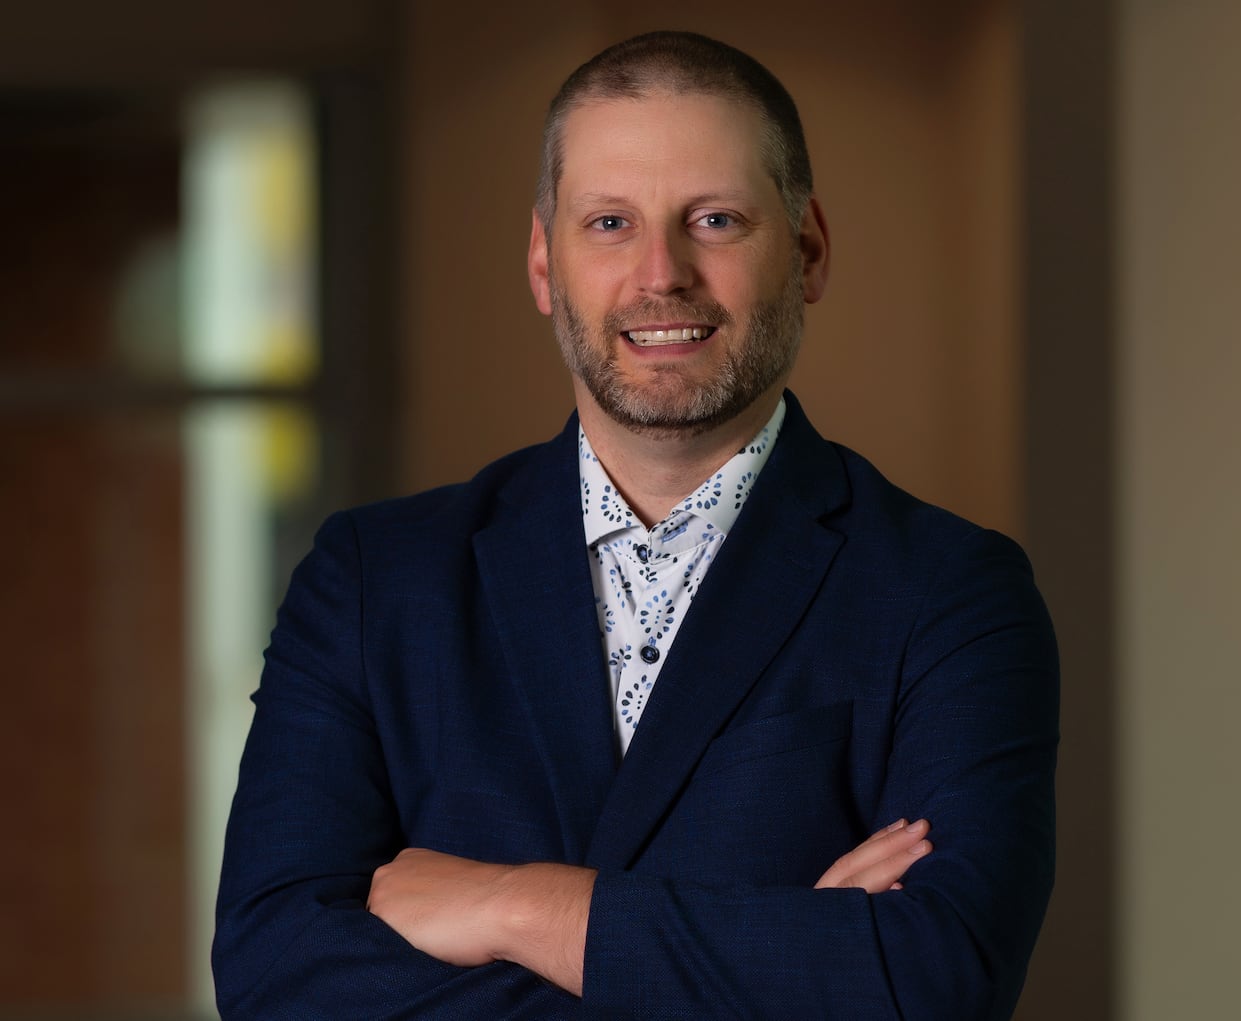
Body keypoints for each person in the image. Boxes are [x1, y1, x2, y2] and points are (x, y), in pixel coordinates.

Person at [213, 30, 1058, 1020]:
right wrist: (784, 954)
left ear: (808, 250)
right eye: (609, 222)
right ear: (542, 263)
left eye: (713, 219)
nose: (660, 274)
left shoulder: (950, 592)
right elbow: (275, 977)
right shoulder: (370, 580)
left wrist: (512, 906)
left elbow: (933, 980)